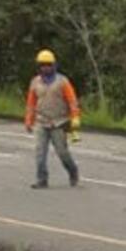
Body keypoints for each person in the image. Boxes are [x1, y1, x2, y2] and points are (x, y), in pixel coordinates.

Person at [25, 49, 81, 189]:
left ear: (54, 65)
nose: (46, 67)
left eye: (48, 65)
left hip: (59, 122)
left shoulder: (62, 82)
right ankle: (42, 179)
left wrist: (75, 117)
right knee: (40, 152)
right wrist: (29, 120)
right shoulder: (35, 82)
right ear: (39, 66)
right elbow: (31, 103)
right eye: (43, 65)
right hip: (42, 121)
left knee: (62, 152)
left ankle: (73, 171)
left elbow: (72, 101)